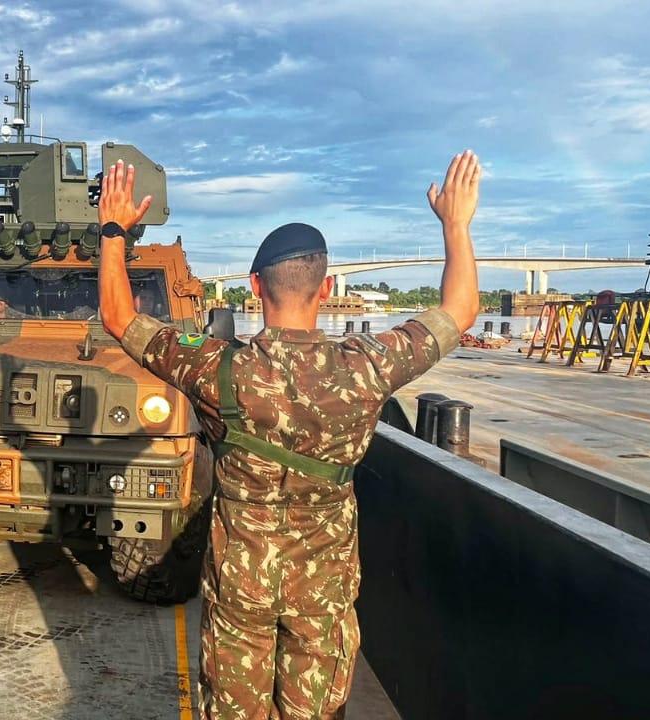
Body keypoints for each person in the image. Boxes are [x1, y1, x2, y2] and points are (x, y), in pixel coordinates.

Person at [96, 153, 480, 719]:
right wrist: (456, 224)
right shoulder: (367, 365)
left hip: (240, 584)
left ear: (255, 287)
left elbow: (118, 317)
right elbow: (461, 311)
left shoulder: (217, 367)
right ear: (325, 289)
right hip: (323, 588)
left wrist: (113, 230)